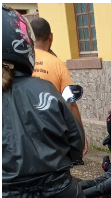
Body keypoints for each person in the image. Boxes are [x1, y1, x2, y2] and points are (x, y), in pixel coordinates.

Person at [2, 6, 108, 198]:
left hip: (5, 196)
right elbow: (75, 141)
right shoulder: (46, 90)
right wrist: (69, 160)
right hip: (59, 188)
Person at [30, 17, 88, 157]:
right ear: (51, 37)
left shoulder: (23, 61)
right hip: (52, 131)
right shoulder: (58, 64)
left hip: (26, 130)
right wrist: (81, 136)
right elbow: (71, 104)